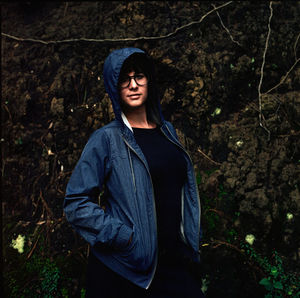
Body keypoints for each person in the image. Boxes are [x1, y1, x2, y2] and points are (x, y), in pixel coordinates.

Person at [64, 47, 204, 297]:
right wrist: (124, 238)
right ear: (114, 88)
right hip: (126, 270)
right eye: (124, 79)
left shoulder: (168, 132)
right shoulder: (106, 139)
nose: (133, 84)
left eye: (139, 76)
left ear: (148, 81)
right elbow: (76, 203)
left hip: (174, 261)